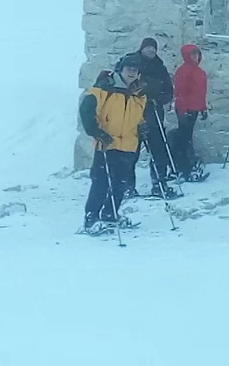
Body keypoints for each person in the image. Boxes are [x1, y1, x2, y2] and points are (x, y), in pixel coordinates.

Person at [78, 54, 147, 234]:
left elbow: (138, 118)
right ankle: (91, 218)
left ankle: (110, 214)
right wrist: (96, 132)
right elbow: (86, 109)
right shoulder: (103, 89)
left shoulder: (138, 95)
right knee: (101, 182)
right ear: (120, 69)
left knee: (120, 183)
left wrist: (142, 129)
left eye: (135, 69)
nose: (132, 72)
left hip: (128, 145)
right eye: (128, 68)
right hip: (106, 144)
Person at [118, 37, 179, 198]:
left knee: (159, 152)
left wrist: (158, 99)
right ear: (142, 48)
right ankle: (127, 187)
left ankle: (160, 185)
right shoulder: (131, 63)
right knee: (130, 152)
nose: (151, 50)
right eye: (148, 47)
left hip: (154, 115)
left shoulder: (160, 68)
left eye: (153, 48)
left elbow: (168, 92)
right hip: (133, 116)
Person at [172, 43, 209, 181]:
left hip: (194, 109)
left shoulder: (200, 72)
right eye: (192, 54)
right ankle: (184, 167)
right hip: (185, 109)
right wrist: (182, 110)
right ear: (186, 56)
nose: (195, 56)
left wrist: (203, 108)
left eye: (197, 54)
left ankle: (186, 166)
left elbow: (201, 93)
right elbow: (179, 92)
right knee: (185, 140)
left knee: (187, 138)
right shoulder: (183, 71)